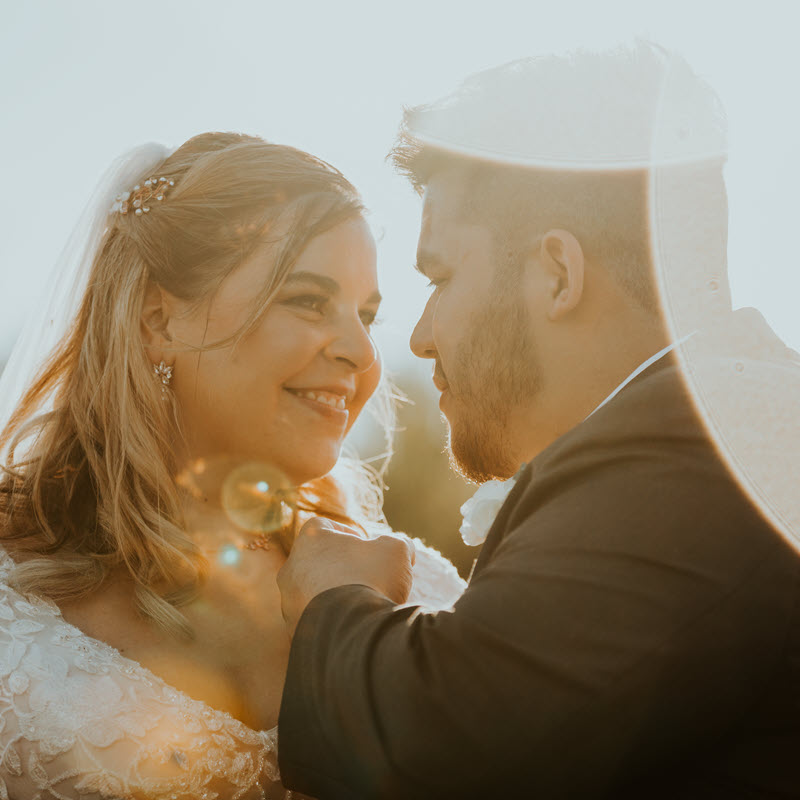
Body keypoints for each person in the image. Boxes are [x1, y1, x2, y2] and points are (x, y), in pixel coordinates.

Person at [275, 43, 800, 797]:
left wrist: (333, 598)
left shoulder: (715, 448)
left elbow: (440, 748)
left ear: (558, 273)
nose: (420, 336)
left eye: (441, 276)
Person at [0, 133, 463, 799]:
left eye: (366, 316)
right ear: (159, 320)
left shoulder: (417, 590)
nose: (362, 354)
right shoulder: (15, 588)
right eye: (307, 300)